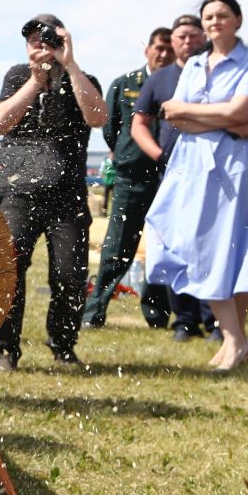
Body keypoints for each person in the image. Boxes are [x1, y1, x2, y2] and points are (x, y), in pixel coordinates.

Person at [144, 0, 248, 370]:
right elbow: (174, 117)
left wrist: (197, 112)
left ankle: (235, 341)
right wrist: (224, 118)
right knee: (199, 247)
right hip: (194, 166)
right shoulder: (195, 64)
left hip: (240, 166)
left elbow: (244, 109)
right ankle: (236, 339)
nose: (215, 21)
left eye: (222, 15)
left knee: (237, 248)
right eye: (209, 16)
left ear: (237, 19)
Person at [0, 13, 105, 370]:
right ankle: (5, 349)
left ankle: (63, 346)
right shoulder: (17, 77)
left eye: (49, 39)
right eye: (33, 39)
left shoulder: (83, 79)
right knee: (8, 267)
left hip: (66, 194)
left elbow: (98, 117)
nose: (40, 45)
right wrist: (35, 83)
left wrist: (71, 65)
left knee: (70, 275)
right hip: (19, 192)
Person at [83, 27, 174, 330]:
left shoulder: (181, 83)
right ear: (147, 50)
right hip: (132, 176)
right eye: (158, 48)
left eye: (169, 49)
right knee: (117, 247)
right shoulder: (125, 84)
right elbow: (110, 131)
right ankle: (94, 312)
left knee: (163, 248)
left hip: (167, 177)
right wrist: (127, 154)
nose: (163, 54)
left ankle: (157, 315)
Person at [131, 16, 215, 339]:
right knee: (176, 245)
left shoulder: (217, 71)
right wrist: (158, 153)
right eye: (181, 36)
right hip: (174, 172)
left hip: (212, 170)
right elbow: (139, 123)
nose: (188, 41)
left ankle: (214, 320)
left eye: (194, 35)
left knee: (210, 243)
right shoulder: (160, 78)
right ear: (174, 40)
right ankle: (184, 320)